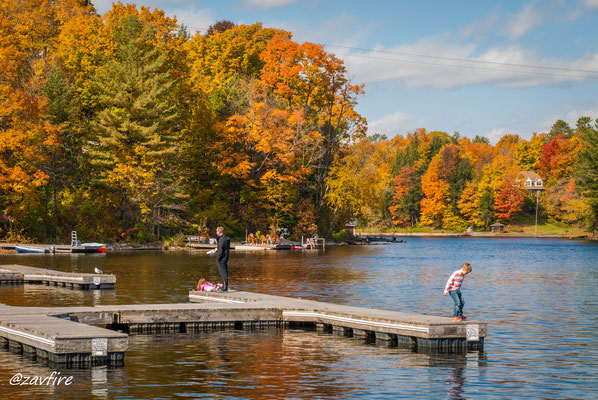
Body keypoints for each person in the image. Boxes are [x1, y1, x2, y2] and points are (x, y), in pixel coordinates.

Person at [207, 226, 230, 291]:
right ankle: (225, 286)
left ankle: (225, 287)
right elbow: (223, 248)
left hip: (221, 258)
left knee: (223, 272)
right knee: (225, 271)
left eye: (217, 231)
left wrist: (217, 258)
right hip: (226, 257)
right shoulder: (227, 238)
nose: (216, 232)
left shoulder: (221, 239)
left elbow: (221, 250)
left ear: (219, 232)